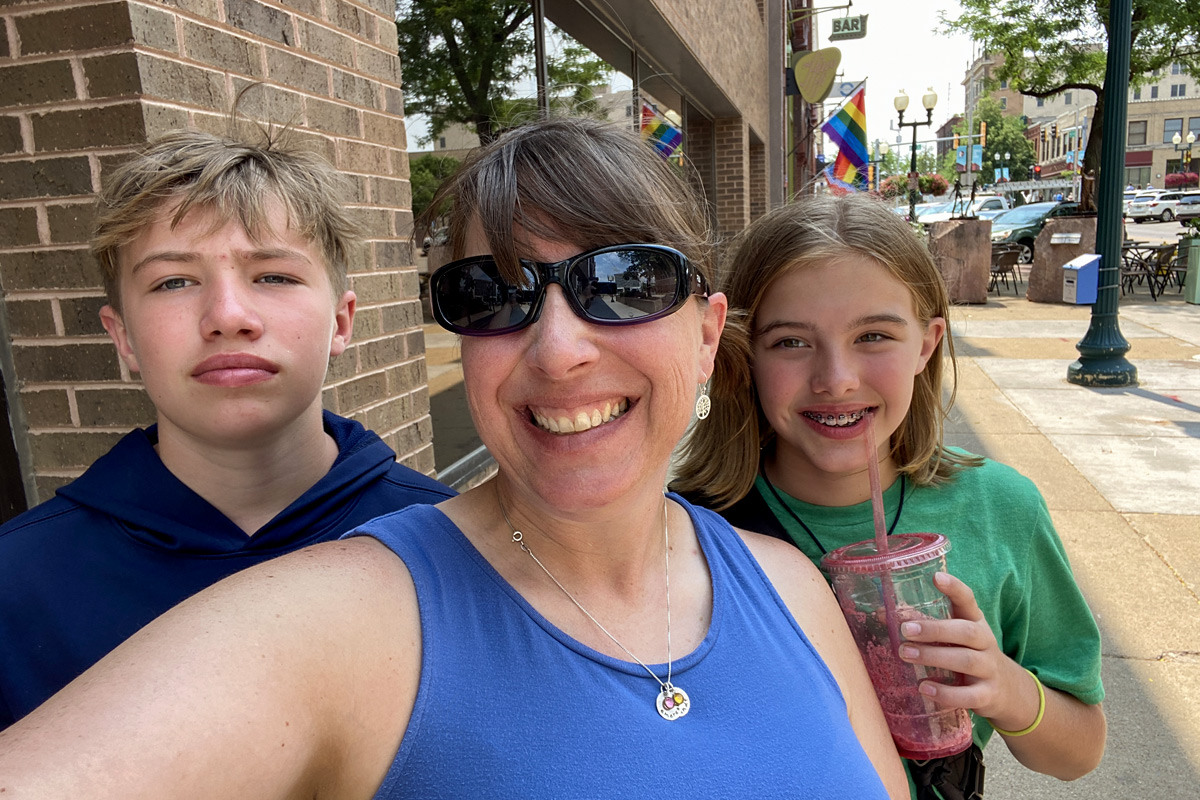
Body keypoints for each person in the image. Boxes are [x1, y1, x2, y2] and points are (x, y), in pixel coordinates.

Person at [0, 119, 908, 798]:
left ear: (708, 335)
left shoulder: (790, 585)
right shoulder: (350, 613)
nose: (558, 350)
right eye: (492, 295)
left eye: (625, 283)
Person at [0, 129, 453, 729]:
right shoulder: (16, 587)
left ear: (340, 322)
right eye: (173, 282)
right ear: (124, 337)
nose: (228, 317)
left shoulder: (459, 549)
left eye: (273, 276)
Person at [673, 195, 1105, 799]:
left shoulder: (1000, 508)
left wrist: (1001, 686)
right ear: (743, 355)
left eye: (873, 335)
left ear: (927, 344)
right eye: (791, 342)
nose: (836, 378)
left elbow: (1079, 750)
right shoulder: (683, 530)